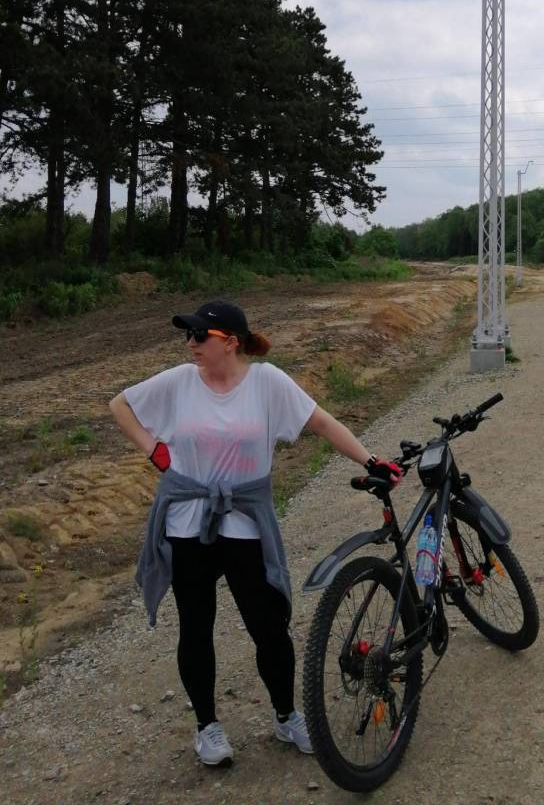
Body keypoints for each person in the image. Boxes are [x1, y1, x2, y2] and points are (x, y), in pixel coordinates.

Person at [109, 298, 402, 768]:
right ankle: (207, 726)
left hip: (245, 523)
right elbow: (120, 405)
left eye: (199, 336)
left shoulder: (267, 382)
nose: (190, 343)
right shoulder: (179, 382)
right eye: (187, 335)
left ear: (230, 342)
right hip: (189, 523)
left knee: (268, 626)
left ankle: (287, 715)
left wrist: (370, 461)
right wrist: (154, 450)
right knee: (195, 626)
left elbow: (321, 422)